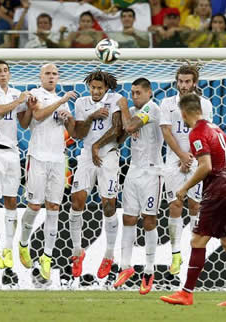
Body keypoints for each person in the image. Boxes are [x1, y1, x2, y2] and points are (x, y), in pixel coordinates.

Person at [160, 93, 226, 307]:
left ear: (183, 113)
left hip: (216, 191)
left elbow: (206, 166)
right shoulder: (216, 129)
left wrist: (184, 188)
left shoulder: (197, 133)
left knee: (197, 240)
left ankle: (187, 293)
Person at [18, 64, 77, 280]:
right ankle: (23, 243)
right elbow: (39, 115)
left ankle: (47, 256)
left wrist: (67, 118)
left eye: (54, 74)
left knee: (54, 207)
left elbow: (71, 132)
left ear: (58, 77)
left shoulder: (63, 101)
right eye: (48, 74)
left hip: (58, 159)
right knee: (34, 205)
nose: (51, 77)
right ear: (41, 76)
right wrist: (61, 102)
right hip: (38, 157)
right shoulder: (35, 94)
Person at [69, 70, 126, 279]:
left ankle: (109, 255)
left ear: (106, 89)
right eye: (92, 87)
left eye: (99, 88)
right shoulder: (81, 103)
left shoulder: (116, 100)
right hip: (86, 155)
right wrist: (91, 116)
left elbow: (118, 129)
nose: (95, 91)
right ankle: (77, 252)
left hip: (108, 155)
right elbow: (79, 134)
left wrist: (98, 146)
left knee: (109, 205)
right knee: (77, 201)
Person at [159, 65, 213, 276]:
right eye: (180, 81)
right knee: (175, 205)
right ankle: (175, 254)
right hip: (174, 160)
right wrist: (182, 155)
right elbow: (166, 131)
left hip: (198, 160)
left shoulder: (205, 104)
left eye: (187, 81)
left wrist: (190, 157)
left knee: (195, 205)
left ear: (195, 82)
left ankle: (194, 254)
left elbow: (204, 132)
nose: (183, 85)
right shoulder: (167, 103)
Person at [113, 78, 163, 294]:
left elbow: (131, 125)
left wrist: (123, 109)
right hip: (134, 170)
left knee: (149, 219)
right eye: (132, 93)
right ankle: (125, 267)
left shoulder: (152, 108)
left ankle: (149, 270)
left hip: (152, 172)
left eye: (138, 92)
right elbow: (122, 134)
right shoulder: (132, 110)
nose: (134, 96)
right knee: (128, 217)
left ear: (149, 93)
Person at [0, 60, 33, 269]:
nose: (3, 74)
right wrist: (19, 100)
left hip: (13, 151)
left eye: (5, 71)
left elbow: (23, 123)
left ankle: (8, 248)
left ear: (9, 74)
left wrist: (29, 107)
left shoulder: (16, 92)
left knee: (11, 200)